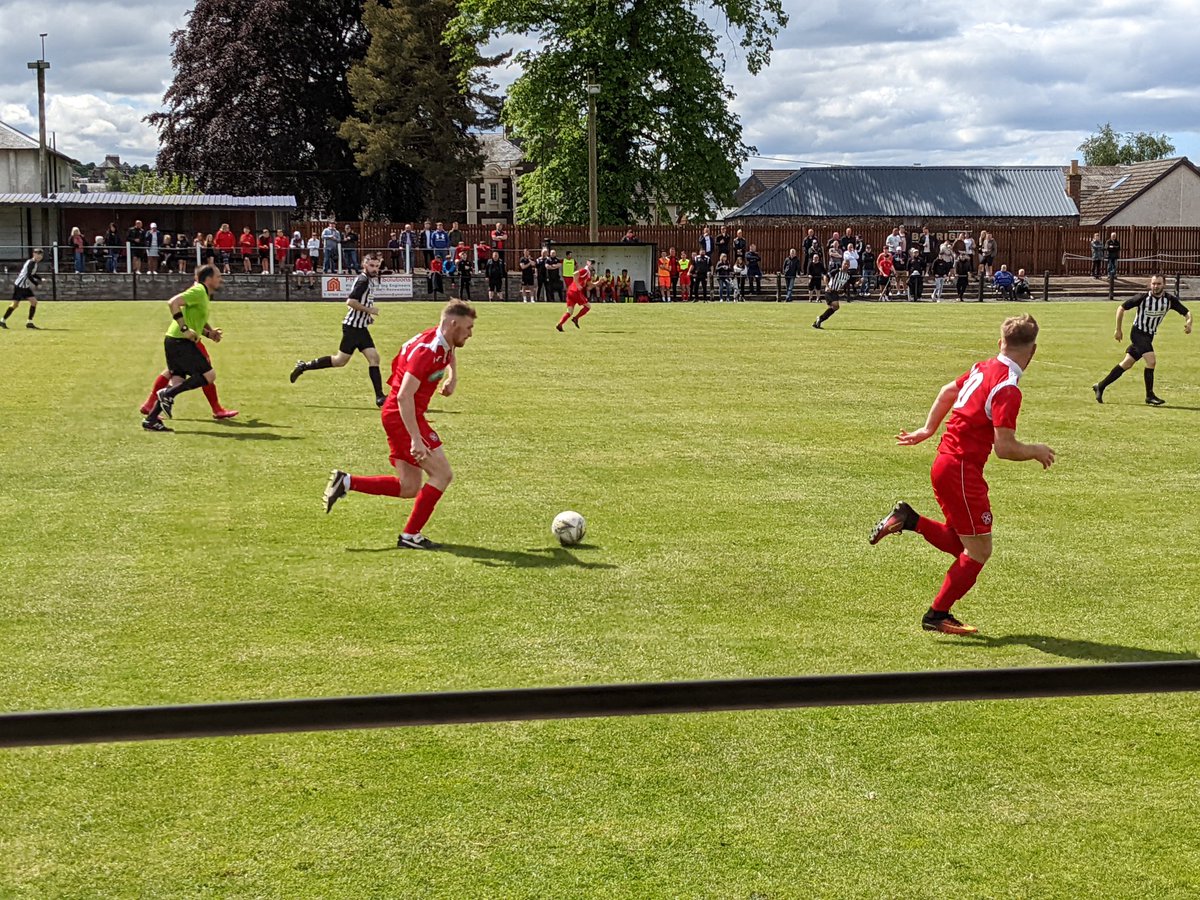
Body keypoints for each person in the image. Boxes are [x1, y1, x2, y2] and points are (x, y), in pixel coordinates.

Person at [869, 314, 1055, 634]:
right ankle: (937, 615)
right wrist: (1035, 450)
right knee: (979, 551)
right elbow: (1005, 448)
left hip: (944, 462)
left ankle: (908, 519)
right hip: (961, 471)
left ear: (1001, 343)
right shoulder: (1007, 388)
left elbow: (946, 391)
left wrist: (928, 430)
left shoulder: (981, 368)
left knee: (963, 546)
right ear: (1033, 350)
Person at [323, 300, 477, 550]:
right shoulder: (426, 351)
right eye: (468, 328)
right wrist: (416, 438)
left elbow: (450, 351)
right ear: (453, 324)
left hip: (402, 415)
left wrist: (452, 376)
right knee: (442, 474)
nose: (470, 334)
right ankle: (410, 535)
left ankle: (347, 482)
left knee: (409, 487)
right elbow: (404, 396)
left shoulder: (444, 339)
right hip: (402, 416)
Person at [290, 254, 388, 406]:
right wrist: (370, 310)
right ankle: (304, 366)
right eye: (372, 266)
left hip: (361, 327)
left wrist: (367, 316)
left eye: (377, 266)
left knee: (373, 358)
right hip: (352, 329)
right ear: (364, 265)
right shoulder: (363, 281)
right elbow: (350, 302)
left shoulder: (368, 280)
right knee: (339, 361)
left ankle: (380, 397)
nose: (375, 269)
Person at [140, 265, 228, 432]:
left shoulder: (202, 294)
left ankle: (151, 420)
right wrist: (185, 329)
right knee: (209, 375)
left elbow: (194, 320)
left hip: (174, 340)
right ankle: (166, 395)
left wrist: (210, 334)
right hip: (180, 341)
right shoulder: (198, 291)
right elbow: (173, 302)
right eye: (218, 276)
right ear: (208, 279)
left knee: (177, 381)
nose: (220, 279)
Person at [1093, 274, 1192, 406]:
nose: (1155, 286)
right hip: (1138, 333)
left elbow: (1187, 312)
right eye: (1153, 283)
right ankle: (1149, 396)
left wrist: (1189, 322)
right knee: (1151, 361)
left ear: (1164, 285)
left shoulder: (1169, 300)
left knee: (1126, 364)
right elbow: (1121, 308)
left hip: (1149, 335)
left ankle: (1100, 386)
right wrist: (1118, 329)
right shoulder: (1143, 297)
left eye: (1158, 284)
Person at [2, 249, 44, 329]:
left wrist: (40, 279)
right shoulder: (32, 263)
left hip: (24, 285)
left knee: (33, 302)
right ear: (34, 254)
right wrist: (36, 284)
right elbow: (29, 275)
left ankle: (29, 322)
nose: (39, 256)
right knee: (15, 304)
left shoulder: (33, 262)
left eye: (41, 255)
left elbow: (33, 273)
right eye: (37, 254)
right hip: (21, 286)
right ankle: (3, 320)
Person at [557, 260, 593, 330]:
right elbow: (575, 273)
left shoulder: (587, 274)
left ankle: (560, 324)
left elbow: (590, 285)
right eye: (592, 264)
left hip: (570, 291)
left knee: (569, 312)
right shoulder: (585, 270)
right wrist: (577, 284)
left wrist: (599, 282)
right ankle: (576, 318)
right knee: (588, 306)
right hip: (576, 292)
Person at [813, 260, 850, 329]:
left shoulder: (847, 275)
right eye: (845, 264)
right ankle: (820, 319)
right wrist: (827, 286)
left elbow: (854, 284)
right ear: (842, 264)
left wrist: (860, 282)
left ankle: (818, 321)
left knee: (835, 308)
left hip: (835, 292)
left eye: (848, 264)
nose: (846, 266)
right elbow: (825, 276)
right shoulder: (836, 271)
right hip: (829, 291)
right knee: (835, 306)